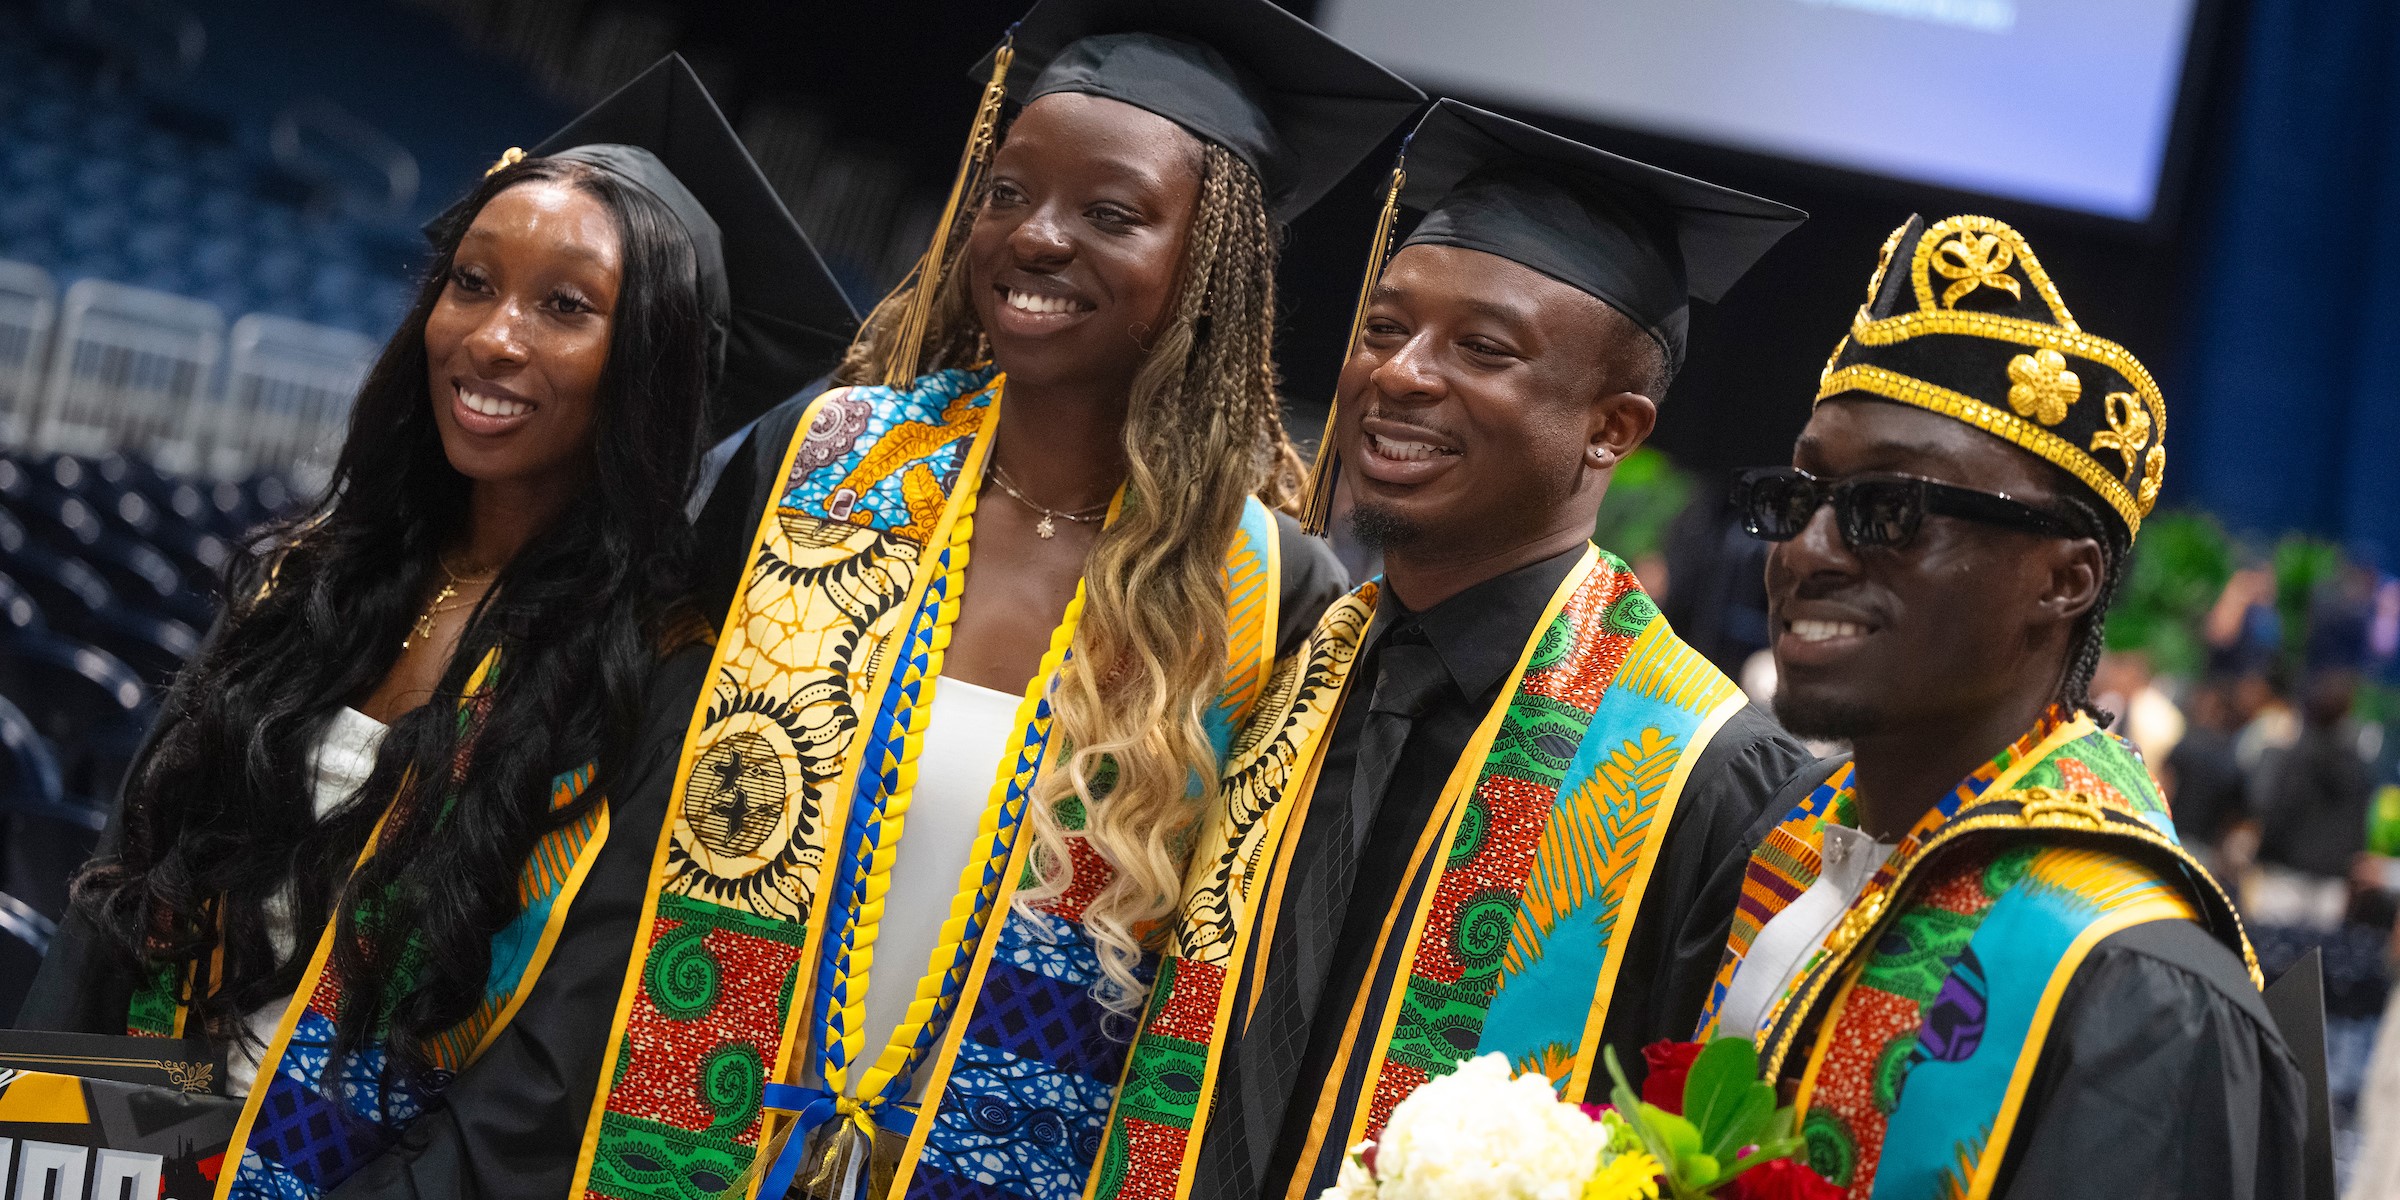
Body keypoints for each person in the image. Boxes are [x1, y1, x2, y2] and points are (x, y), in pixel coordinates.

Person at [568, 5, 1422, 1199]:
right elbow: (622, 818)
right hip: (687, 1146)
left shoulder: (1267, 591)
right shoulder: (820, 464)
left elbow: (1218, 995)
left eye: (1110, 214)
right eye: (1008, 193)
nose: (1036, 238)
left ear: (1210, 265)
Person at [18, 55, 855, 1198]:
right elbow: (123, 897)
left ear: (654, 366)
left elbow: (539, 1097)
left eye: (565, 306)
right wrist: (54, 1165)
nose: (493, 338)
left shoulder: (667, 692)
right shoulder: (317, 585)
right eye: (472, 282)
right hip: (130, 1151)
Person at [1103, 99, 1814, 1200]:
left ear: (1611, 429)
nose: (1400, 373)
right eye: (1386, 329)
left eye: (1481, 349)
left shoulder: (1706, 774)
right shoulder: (1273, 659)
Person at [1700, 213, 2304, 1198]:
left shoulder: (2136, 984)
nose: (1806, 551)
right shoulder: (1783, 845)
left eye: (1886, 510)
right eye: (1799, 496)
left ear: (2065, 581)